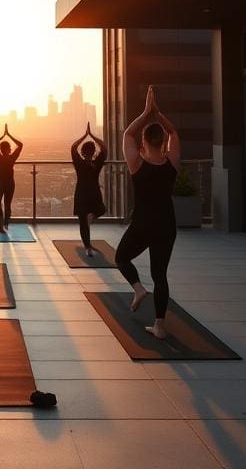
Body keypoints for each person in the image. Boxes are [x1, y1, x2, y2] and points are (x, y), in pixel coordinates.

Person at [117, 85, 181, 340]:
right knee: (160, 275)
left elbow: (127, 134)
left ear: (144, 143)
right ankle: (160, 326)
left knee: (122, 257)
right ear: (163, 141)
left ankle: (138, 289)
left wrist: (146, 112)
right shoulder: (171, 163)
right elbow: (174, 131)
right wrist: (158, 114)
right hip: (166, 224)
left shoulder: (137, 164)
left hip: (143, 224)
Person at [71, 122, 108, 256]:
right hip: (94, 191)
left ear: (82, 152)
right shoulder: (97, 162)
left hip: (81, 192)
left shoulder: (79, 163)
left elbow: (73, 147)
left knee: (82, 222)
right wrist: (93, 136)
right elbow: (104, 148)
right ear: (93, 152)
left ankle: (88, 248)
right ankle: (92, 216)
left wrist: (84, 136)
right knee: (101, 209)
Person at [0, 124, 23, 233]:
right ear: (9, 149)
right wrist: (9, 135)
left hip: (0, 183)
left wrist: (2, 137)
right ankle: (5, 222)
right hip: (9, 183)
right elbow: (20, 145)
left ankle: (2, 220)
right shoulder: (11, 158)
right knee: (7, 204)